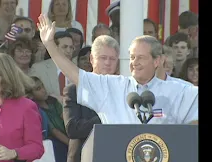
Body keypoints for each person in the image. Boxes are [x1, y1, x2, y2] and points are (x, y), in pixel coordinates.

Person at [37, 14, 198, 125]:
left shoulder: (179, 90)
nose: (135, 62)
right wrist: (50, 45)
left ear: (156, 61)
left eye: (141, 57)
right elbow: (75, 74)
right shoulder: (112, 86)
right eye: (132, 57)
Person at [63, 43, 117, 162]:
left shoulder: (123, 90)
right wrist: (105, 117)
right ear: (92, 59)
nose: (107, 63)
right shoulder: (74, 89)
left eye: (112, 59)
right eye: (103, 57)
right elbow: (72, 128)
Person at [29, 76, 68, 162]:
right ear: (31, 95)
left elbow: (65, 118)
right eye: (38, 89)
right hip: (56, 143)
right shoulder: (36, 109)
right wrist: (70, 143)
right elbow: (54, 131)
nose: (43, 90)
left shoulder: (53, 101)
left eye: (42, 86)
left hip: (68, 135)